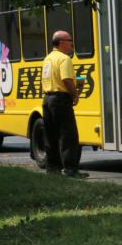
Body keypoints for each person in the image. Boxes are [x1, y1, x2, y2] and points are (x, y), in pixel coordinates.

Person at [42, 31, 85, 177]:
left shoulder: (48, 58)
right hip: (60, 99)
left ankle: (52, 169)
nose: (72, 43)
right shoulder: (64, 59)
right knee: (69, 136)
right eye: (70, 40)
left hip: (47, 99)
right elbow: (66, 79)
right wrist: (75, 95)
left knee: (51, 135)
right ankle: (70, 170)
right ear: (61, 43)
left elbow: (53, 79)